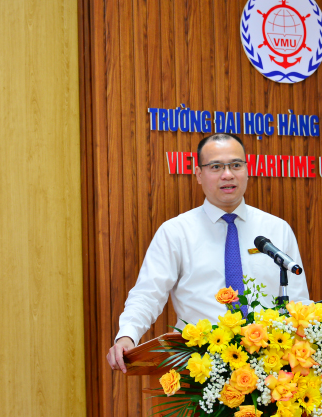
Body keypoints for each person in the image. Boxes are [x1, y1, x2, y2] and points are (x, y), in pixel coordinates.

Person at [106, 133, 311, 372]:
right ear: (198, 174)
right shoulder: (176, 232)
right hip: (199, 369)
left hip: (269, 368)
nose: (228, 174)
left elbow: (299, 302)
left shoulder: (276, 229)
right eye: (216, 167)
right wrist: (127, 335)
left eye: (236, 165)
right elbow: (148, 294)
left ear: (247, 170)